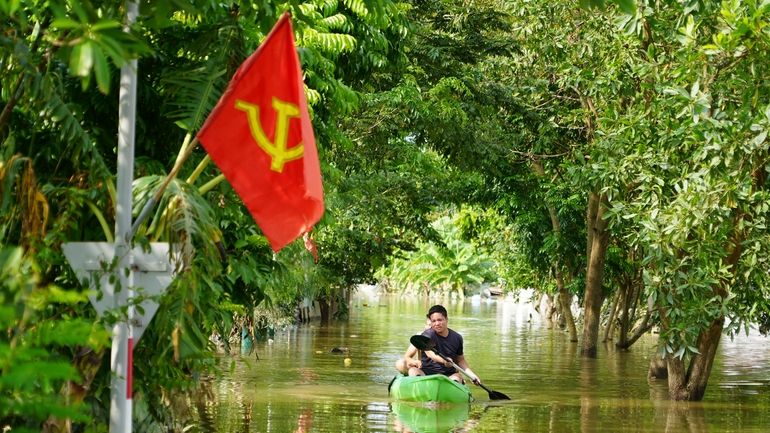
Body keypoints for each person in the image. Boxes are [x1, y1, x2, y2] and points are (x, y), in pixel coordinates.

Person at [406, 305, 481, 385]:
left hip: (449, 375)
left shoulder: (457, 338)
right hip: (426, 373)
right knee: (412, 371)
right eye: (434, 321)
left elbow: (460, 360)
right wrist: (444, 360)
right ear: (431, 322)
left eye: (440, 320)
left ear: (446, 319)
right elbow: (431, 354)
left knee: (457, 377)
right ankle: (419, 386)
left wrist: (471, 375)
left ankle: (453, 387)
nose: (437, 323)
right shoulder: (427, 335)